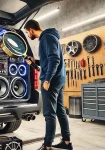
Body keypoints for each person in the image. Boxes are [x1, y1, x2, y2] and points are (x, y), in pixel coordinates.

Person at [24, 20, 73, 150]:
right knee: (60, 111)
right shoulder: (50, 37)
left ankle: (47, 146)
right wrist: (36, 61)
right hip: (59, 80)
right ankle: (67, 143)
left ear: (32, 30)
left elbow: (54, 60)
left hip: (52, 82)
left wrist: (47, 79)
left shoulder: (46, 38)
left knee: (49, 113)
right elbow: (49, 59)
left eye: (27, 33)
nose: (28, 35)